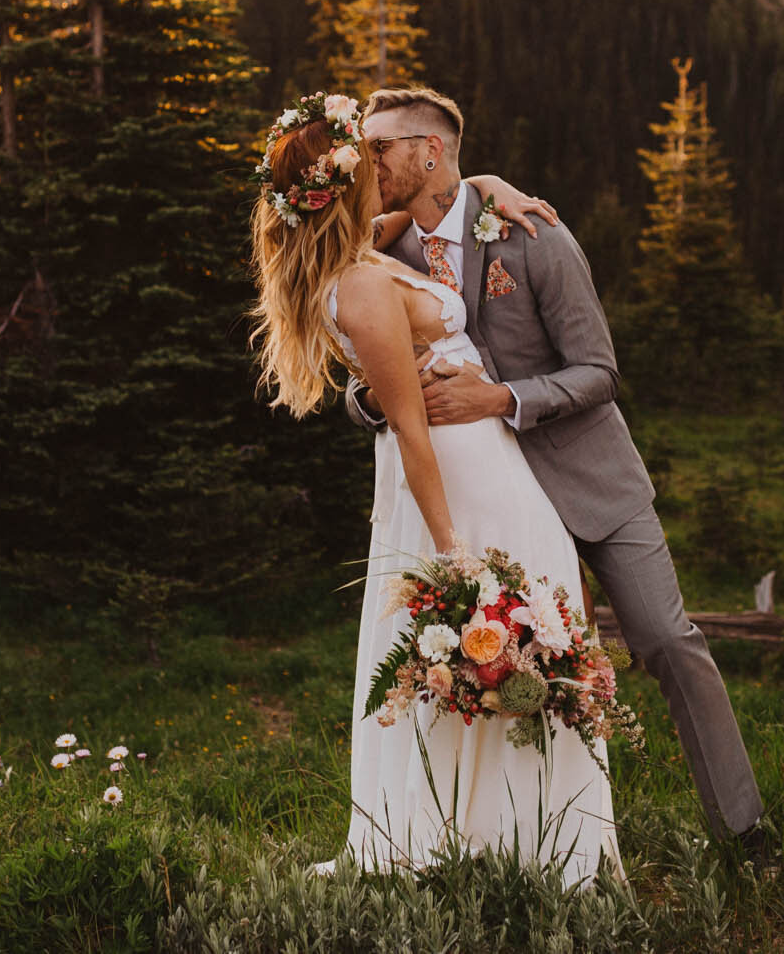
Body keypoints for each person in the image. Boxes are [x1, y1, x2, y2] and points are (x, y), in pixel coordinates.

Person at [346, 87, 767, 855]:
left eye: (380, 147)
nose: (366, 161)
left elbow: (599, 371)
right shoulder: (386, 253)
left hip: (592, 481)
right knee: (512, 671)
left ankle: (744, 832)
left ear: (430, 150)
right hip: (491, 503)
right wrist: (386, 402)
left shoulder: (532, 233)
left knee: (668, 641)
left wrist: (498, 396)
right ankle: (535, 845)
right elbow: (362, 383)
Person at [249, 92, 619, 885]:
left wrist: (492, 183)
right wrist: (451, 549)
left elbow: (439, 183)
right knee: (500, 631)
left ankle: (527, 830)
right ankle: (512, 840)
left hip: (486, 458)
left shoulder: (362, 244)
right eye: (365, 155)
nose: (379, 165)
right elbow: (410, 431)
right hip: (457, 474)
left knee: (526, 631)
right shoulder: (363, 285)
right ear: (344, 180)